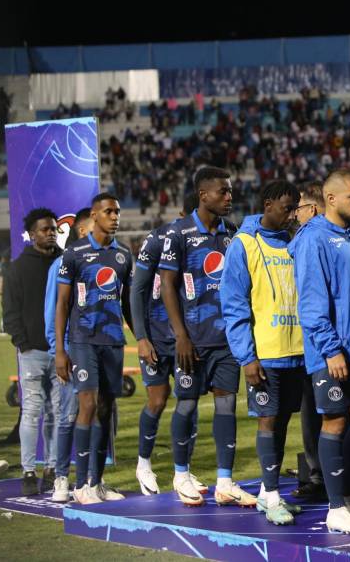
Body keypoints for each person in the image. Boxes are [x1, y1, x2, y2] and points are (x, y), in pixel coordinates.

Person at [159, 166, 255, 508]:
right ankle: (181, 475)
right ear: (204, 195)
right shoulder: (179, 233)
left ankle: (225, 482)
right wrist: (180, 335)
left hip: (227, 339)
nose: (229, 197)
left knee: (226, 405)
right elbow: (167, 285)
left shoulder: (231, 233)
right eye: (223, 192)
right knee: (186, 403)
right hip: (192, 340)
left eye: (230, 192)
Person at [289, 169, 350, 534]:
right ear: (331, 199)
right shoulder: (314, 240)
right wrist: (330, 350)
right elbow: (311, 303)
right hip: (333, 353)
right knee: (335, 421)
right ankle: (336, 505)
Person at [222, 180, 305, 526]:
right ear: (268, 204)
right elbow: (234, 304)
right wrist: (247, 357)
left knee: (283, 422)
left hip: (296, 352)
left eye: (295, 209)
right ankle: (270, 494)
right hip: (265, 354)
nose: (291, 216)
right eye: (287, 208)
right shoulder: (243, 244)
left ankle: (268, 493)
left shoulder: (292, 242)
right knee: (268, 422)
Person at [54, 193, 133, 505]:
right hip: (83, 340)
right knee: (87, 404)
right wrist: (60, 350)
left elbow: (128, 303)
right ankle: (81, 485)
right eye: (109, 211)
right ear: (94, 216)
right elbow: (62, 302)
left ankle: (96, 482)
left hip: (112, 341)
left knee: (105, 409)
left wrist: (141, 338)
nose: (115, 217)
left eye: (117, 211)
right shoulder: (74, 253)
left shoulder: (124, 255)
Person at [130, 195, 206, 496]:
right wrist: (141, 337)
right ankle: (143, 463)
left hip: (190, 337)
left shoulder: (210, 239)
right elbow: (137, 289)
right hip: (158, 338)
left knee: (190, 401)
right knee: (158, 401)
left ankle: (183, 471)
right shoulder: (159, 237)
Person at [3, 207, 62, 495]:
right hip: (32, 353)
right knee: (31, 413)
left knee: (55, 414)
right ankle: (29, 471)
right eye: (44, 229)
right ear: (32, 234)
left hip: (61, 354)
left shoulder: (65, 262)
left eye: (53, 228)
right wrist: (23, 343)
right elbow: (10, 311)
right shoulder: (17, 267)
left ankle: (51, 469)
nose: (51, 233)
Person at [46, 208, 94, 503]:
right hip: (71, 352)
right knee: (68, 416)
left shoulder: (107, 259)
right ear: (81, 232)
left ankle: (87, 479)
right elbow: (54, 311)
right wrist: (58, 351)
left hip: (96, 350)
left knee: (94, 415)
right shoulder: (63, 263)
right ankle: (61, 478)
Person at [291, 181, 327, 501]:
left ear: (312, 209)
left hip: (316, 342)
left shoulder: (309, 238)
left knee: (316, 412)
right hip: (324, 341)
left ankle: (321, 477)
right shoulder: (335, 237)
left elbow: (312, 297)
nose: (294, 214)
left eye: (299, 208)